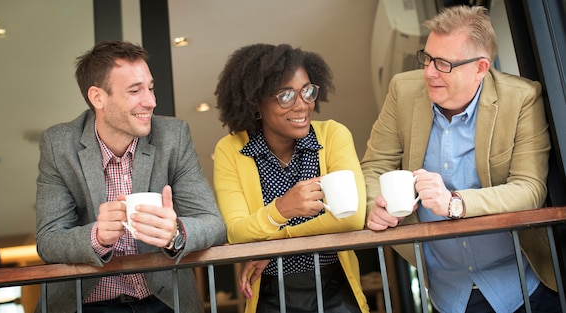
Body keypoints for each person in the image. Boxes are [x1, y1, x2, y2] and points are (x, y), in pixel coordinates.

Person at [362, 5, 560, 313]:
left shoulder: (521, 98)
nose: (429, 72)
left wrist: (455, 203)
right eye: (427, 58)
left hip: (523, 286)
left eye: (442, 63)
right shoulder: (402, 90)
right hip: (448, 294)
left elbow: (529, 188)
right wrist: (375, 208)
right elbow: (374, 168)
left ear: (480, 67)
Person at [35, 40, 226, 313]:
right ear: (98, 97)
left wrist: (176, 233)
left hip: (164, 300)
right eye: (135, 91)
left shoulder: (174, 136)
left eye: (150, 88)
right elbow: (49, 240)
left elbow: (214, 224)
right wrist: (96, 237)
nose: (151, 101)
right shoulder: (58, 144)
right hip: (87, 302)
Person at [213, 43, 370, 313]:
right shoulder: (231, 150)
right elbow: (237, 233)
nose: (303, 105)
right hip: (271, 294)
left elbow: (353, 216)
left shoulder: (333, 136)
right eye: (286, 96)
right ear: (256, 101)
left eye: (307, 92)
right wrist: (282, 208)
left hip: (336, 288)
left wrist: (275, 241)